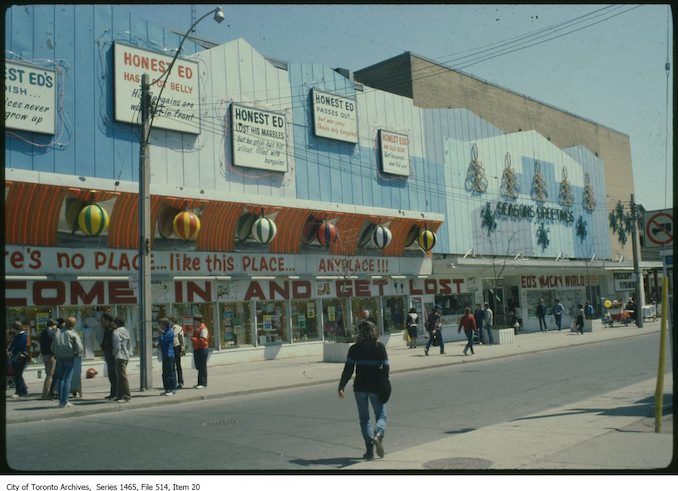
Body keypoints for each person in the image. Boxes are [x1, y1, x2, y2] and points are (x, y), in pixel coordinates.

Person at [337, 320, 389, 460]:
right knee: (382, 416)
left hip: (360, 388)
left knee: (364, 419)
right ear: (373, 332)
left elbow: (348, 369)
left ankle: (369, 450)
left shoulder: (354, 348)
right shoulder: (379, 348)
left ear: (359, 333)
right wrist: (385, 384)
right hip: (376, 387)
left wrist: (341, 386)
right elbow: (385, 368)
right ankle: (378, 435)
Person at [51, 317, 83, 408]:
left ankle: (61, 400)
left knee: (60, 379)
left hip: (59, 357)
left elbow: (52, 346)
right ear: (74, 325)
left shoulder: (57, 332)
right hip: (70, 357)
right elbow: (79, 348)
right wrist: (76, 353)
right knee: (67, 379)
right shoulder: (72, 334)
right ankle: (65, 401)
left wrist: (56, 353)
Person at [112, 317, 131, 403]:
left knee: (122, 377)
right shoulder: (126, 331)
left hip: (119, 356)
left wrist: (114, 353)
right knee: (120, 376)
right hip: (126, 355)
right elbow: (129, 344)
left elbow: (116, 346)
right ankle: (119, 395)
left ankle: (126, 395)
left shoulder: (116, 332)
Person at [10, 321, 29, 398]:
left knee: (18, 374)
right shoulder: (17, 335)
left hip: (20, 357)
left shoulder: (22, 335)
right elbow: (13, 345)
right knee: (18, 374)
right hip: (16, 356)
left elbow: (19, 346)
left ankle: (19, 391)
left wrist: (12, 351)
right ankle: (24, 390)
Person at [100, 313, 117, 400]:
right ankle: (113, 392)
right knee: (111, 374)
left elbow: (112, 342)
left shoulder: (111, 328)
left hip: (111, 353)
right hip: (108, 352)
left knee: (113, 373)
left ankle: (115, 392)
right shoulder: (108, 328)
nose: (102, 322)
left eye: (103, 320)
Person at [158, 318, 177, 396]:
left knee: (170, 372)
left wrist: (160, 335)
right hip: (165, 355)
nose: (160, 326)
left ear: (164, 325)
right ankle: (167, 388)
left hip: (169, 354)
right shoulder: (165, 332)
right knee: (165, 373)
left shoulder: (170, 332)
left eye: (161, 324)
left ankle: (172, 389)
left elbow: (164, 342)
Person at [39, 319, 57, 400]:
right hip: (50, 355)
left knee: (47, 374)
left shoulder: (42, 333)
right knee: (50, 375)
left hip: (44, 355)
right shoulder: (51, 334)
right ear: (53, 325)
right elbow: (53, 345)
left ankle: (45, 393)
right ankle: (45, 394)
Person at [191, 315, 209, 389]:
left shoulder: (203, 329)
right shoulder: (197, 328)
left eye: (194, 321)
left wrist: (193, 339)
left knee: (202, 367)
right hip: (197, 349)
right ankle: (199, 382)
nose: (193, 323)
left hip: (202, 349)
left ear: (198, 321)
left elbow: (203, 341)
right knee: (199, 366)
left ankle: (203, 383)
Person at [171, 317, 185, 389]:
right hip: (170, 348)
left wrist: (182, 349)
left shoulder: (179, 328)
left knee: (178, 365)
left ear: (173, 321)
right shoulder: (168, 328)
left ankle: (180, 382)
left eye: (171, 321)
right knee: (171, 366)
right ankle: (173, 382)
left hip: (176, 347)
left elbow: (181, 339)